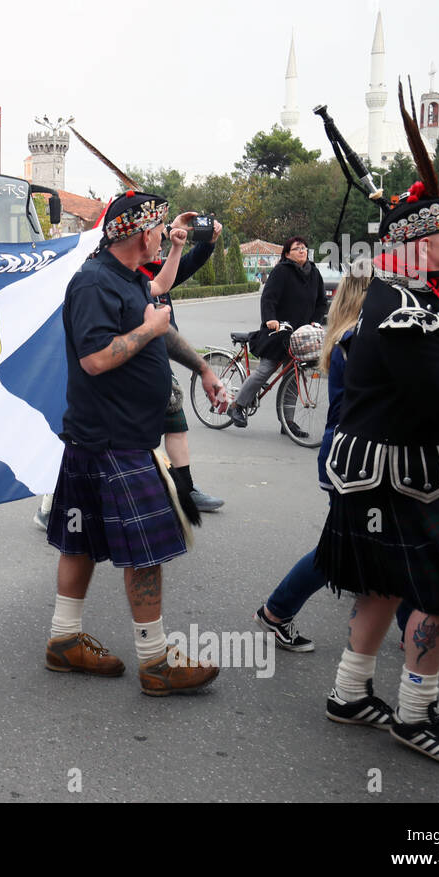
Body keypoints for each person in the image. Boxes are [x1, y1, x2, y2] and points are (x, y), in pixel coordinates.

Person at [316, 184, 439, 765]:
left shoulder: (399, 292)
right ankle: (415, 717)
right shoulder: (404, 306)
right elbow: (436, 398)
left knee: (383, 586)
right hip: (400, 471)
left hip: (381, 468)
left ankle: (348, 693)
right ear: (416, 243)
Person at [43, 191, 218, 696]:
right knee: (145, 551)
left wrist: (203, 368)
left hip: (109, 436)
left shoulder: (131, 279)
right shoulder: (94, 283)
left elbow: (162, 335)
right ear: (141, 234)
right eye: (159, 229)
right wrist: (147, 328)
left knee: (80, 540)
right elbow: (95, 359)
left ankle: (64, 640)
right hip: (110, 438)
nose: (162, 236)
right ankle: (156, 660)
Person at [252, 258, 373, 653]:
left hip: (352, 452)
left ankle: (407, 621)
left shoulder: (353, 334)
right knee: (339, 548)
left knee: (374, 545)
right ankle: (275, 612)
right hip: (351, 455)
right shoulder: (356, 338)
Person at [144, 217, 227, 514]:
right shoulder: (122, 274)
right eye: (154, 236)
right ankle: (57, 500)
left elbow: (187, 263)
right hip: (128, 370)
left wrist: (208, 241)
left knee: (176, 427)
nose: (158, 247)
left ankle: (186, 490)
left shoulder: (158, 272)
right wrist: (171, 233)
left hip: (160, 363)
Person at [228, 237, 327, 433]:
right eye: (297, 248)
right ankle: (236, 406)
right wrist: (270, 319)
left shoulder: (314, 273)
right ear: (287, 254)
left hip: (301, 335)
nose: (302, 251)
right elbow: (268, 298)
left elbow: (321, 302)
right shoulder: (282, 271)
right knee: (266, 368)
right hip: (278, 331)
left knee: (296, 375)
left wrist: (315, 321)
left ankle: (287, 422)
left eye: (304, 248)